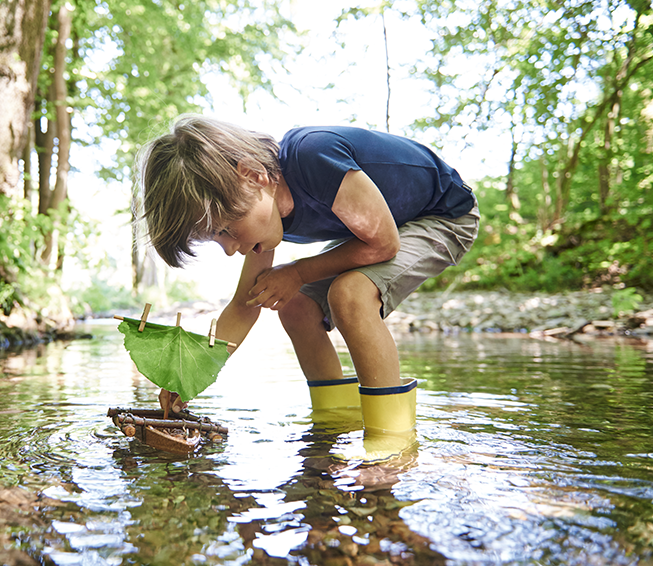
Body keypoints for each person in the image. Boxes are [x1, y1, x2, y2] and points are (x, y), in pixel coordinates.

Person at [137, 114, 479, 441]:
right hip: (379, 229)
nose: (229, 249)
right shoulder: (266, 210)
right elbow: (245, 305)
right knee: (296, 305)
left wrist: (298, 272)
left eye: (227, 228)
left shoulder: (312, 155)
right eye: (217, 238)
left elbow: (384, 243)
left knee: (350, 294)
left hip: (444, 216)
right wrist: (190, 373)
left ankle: (392, 436)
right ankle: (337, 421)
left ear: (253, 176)